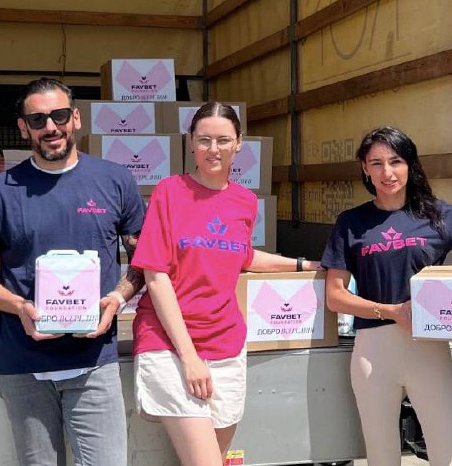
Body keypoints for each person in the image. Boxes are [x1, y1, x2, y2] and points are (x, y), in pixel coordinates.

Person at [0, 78, 146, 466]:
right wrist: (19, 306)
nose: (50, 127)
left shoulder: (115, 181)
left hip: (94, 362)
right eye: (37, 119)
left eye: (59, 116)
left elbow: (144, 260)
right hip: (23, 365)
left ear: (75, 118)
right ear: (23, 128)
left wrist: (117, 298)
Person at [321, 126, 452, 466]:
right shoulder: (351, 222)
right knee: (381, 458)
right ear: (364, 168)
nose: (387, 172)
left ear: (410, 164)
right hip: (373, 352)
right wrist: (393, 311)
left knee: (448, 455)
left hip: (429, 350)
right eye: (376, 163)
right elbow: (335, 296)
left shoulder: (436, 215)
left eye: (396, 161)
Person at [130, 102, 322, 466]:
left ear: (239, 143)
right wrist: (189, 357)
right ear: (190, 142)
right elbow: (155, 275)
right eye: (204, 140)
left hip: (226, 342)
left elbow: (240, 254)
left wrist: (302, 263)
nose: (213, 149)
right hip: (169, 342)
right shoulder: (169, 192)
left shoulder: (245, 201)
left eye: (223, 140)